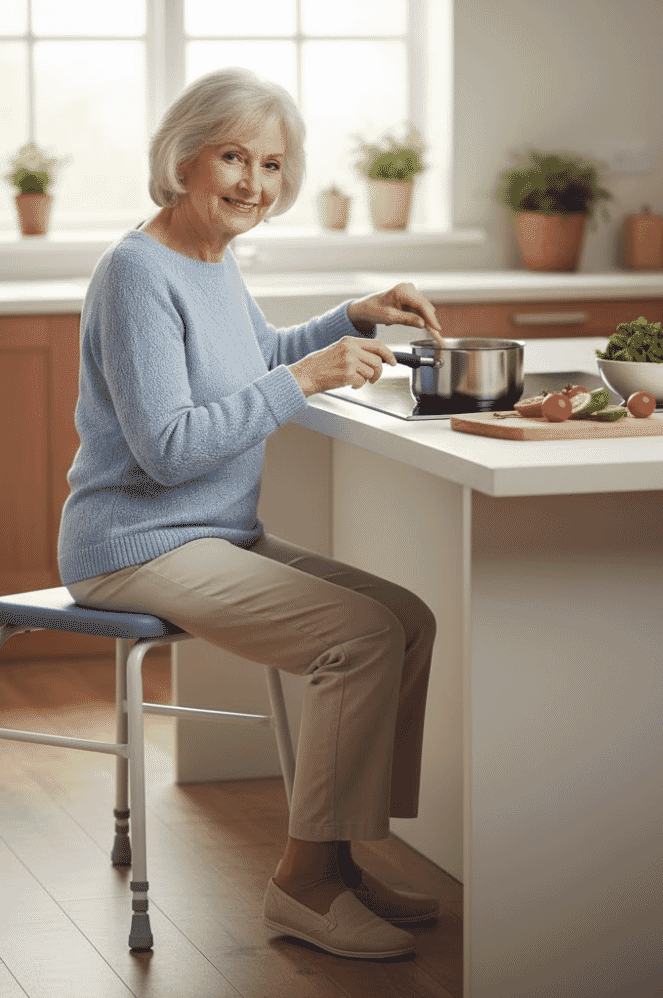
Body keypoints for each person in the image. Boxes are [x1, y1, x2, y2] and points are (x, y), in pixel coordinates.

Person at [58, 66, 444, 960]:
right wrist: (300, 379)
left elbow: (257, 356)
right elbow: (169, 448)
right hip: (133, 543)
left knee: (408, 621)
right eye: (234, 157)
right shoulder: (134, 272)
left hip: (215, 535)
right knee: (361, 635)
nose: (253, 184)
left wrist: (353, 317)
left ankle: (340, 860)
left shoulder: (210, 260)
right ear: (184, 157)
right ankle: (301, 885)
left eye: (271, 165)